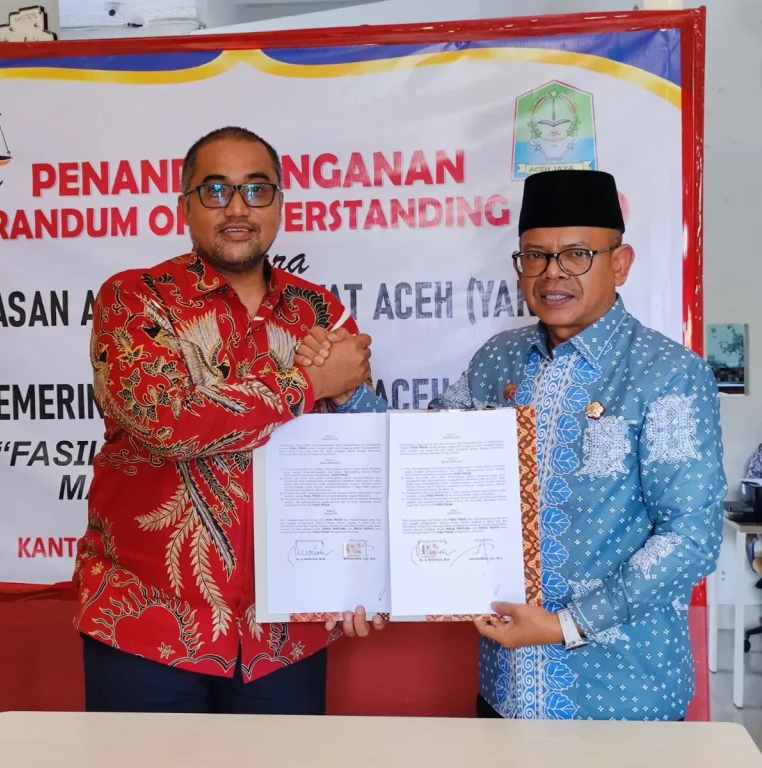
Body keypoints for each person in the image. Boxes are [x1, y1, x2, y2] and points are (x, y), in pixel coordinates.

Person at [295, 169, 726, 721]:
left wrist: (566, 624)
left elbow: (691, 538)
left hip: (623, 695)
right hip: (507, 689)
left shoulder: (667, 374)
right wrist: (348, 388)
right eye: (534, 256)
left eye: (576, 255)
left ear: (620, 263)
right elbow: (418, 460)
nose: (552, 274)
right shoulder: (499, 358)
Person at [74, 126, 385, 716]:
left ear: (279, 204)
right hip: (146, 623)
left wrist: (360, 580)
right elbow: (165, 422)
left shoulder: (319, 311)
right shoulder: (136, 300)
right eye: (215, 190)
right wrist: (309, 383)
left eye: (257, 190)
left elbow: (352, 454)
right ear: (184, 205)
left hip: (284, 633)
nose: (238, 208)